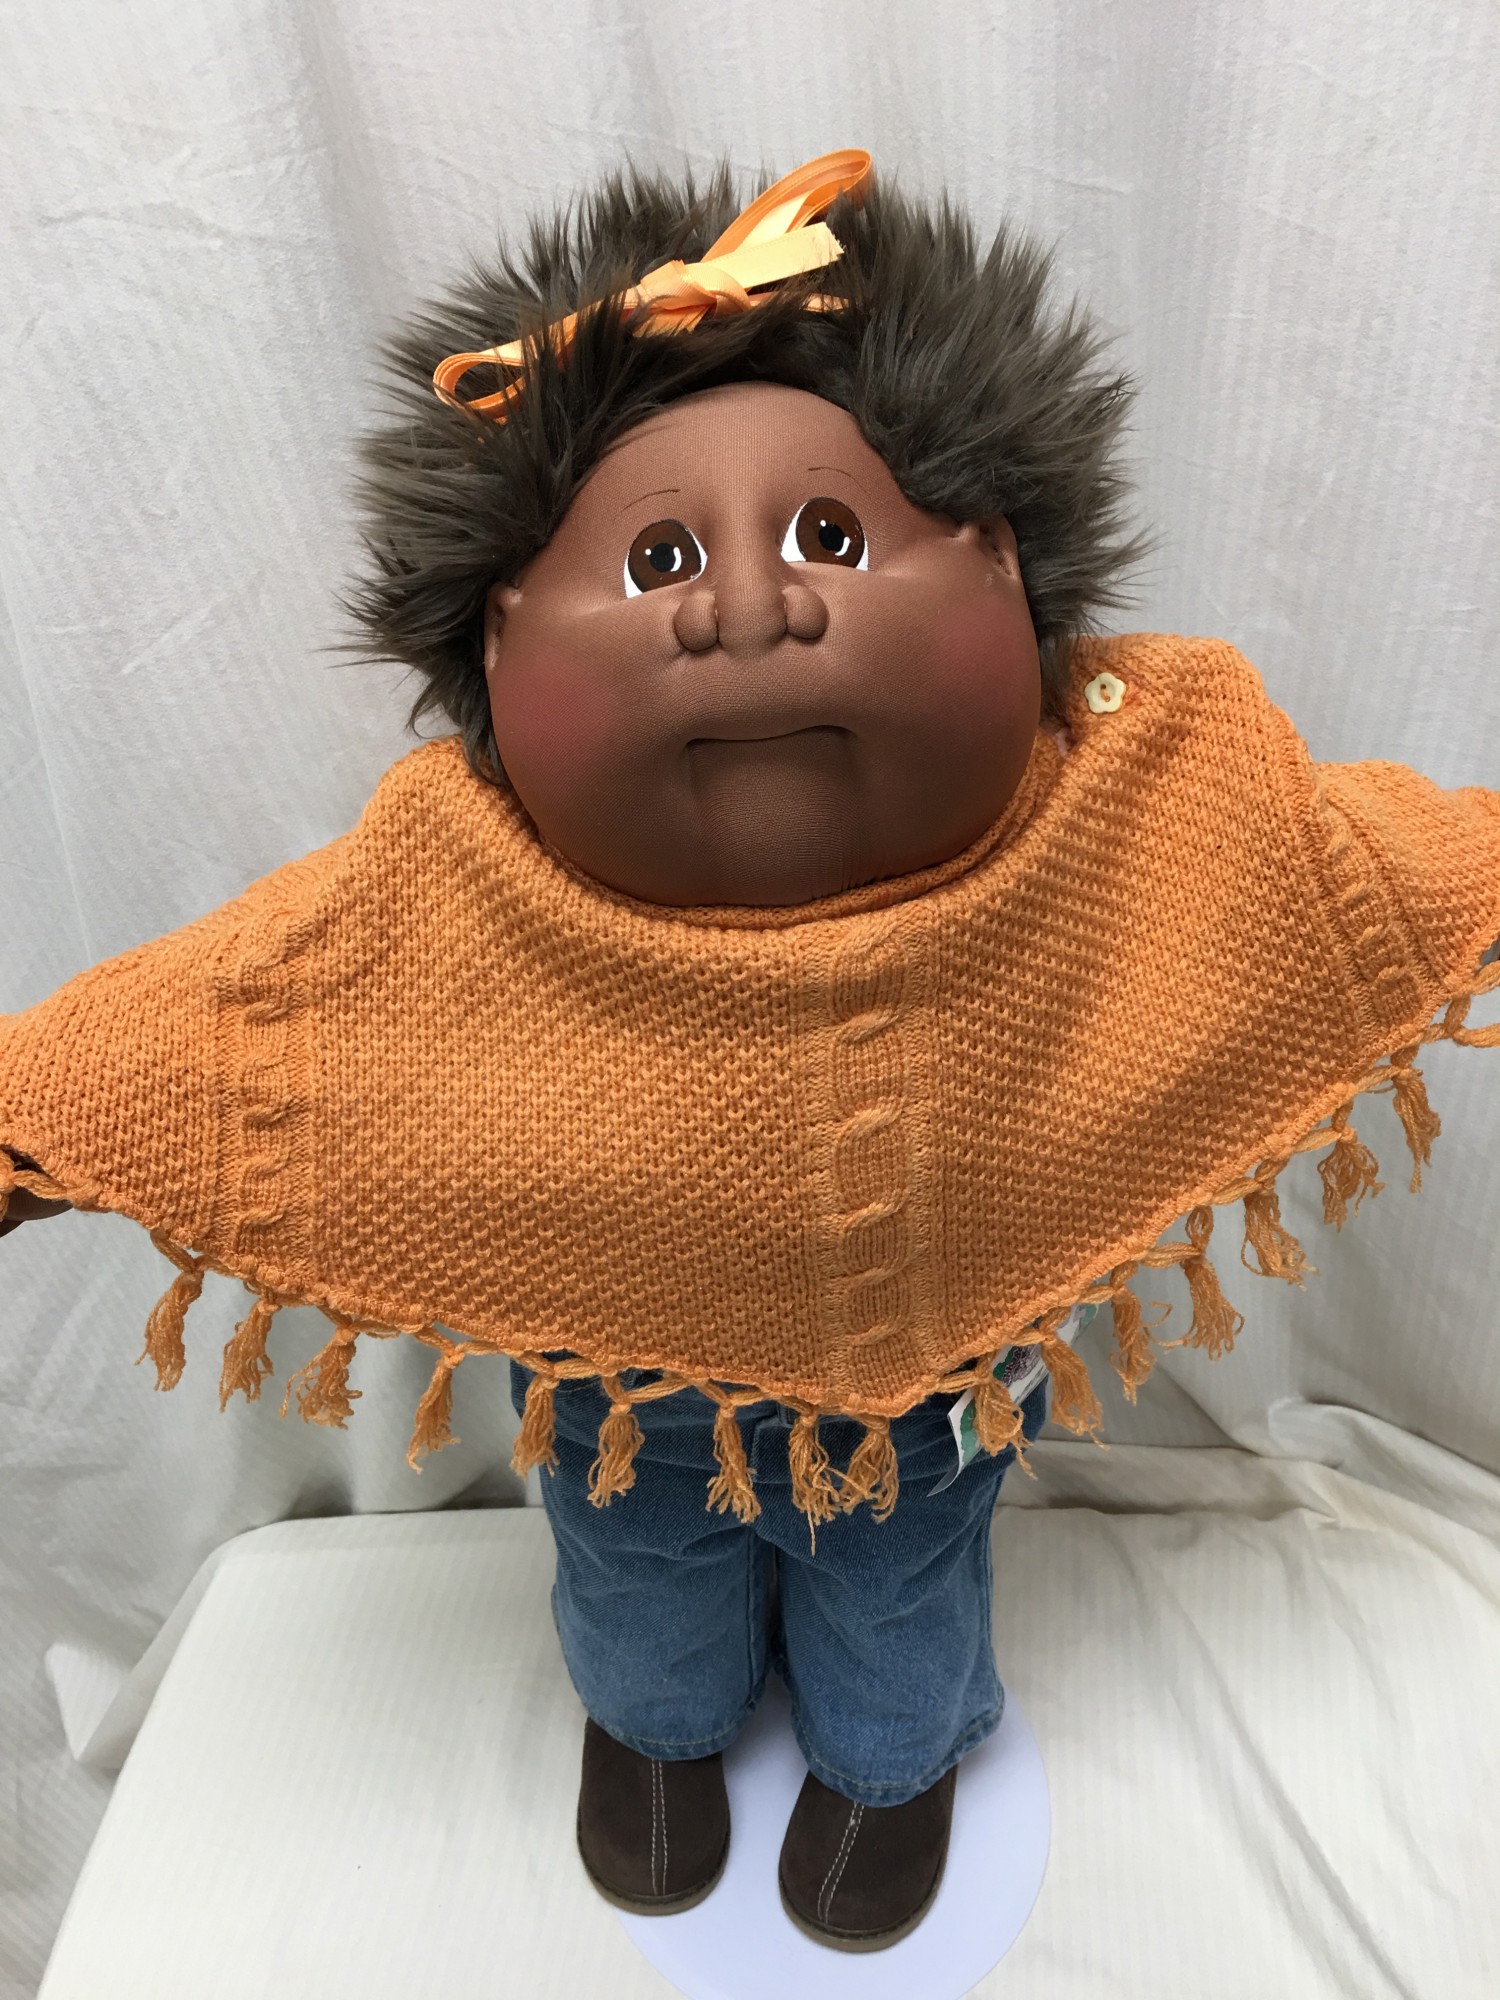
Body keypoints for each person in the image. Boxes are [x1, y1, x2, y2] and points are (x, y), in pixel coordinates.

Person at [4, 150, 1498, 1954]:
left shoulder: (1147, 812)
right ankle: (656, 1732)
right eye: (657, 560)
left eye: (830, 540)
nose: (745, 608)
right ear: (501, 634)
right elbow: (233, 1023)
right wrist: (34, 1120)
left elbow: (1352, 878)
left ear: (1004, 570)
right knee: (635, 1561)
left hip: (940, 1379)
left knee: (905, 1575)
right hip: (621, 1366)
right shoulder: (439, 896)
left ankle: (892, 1763)